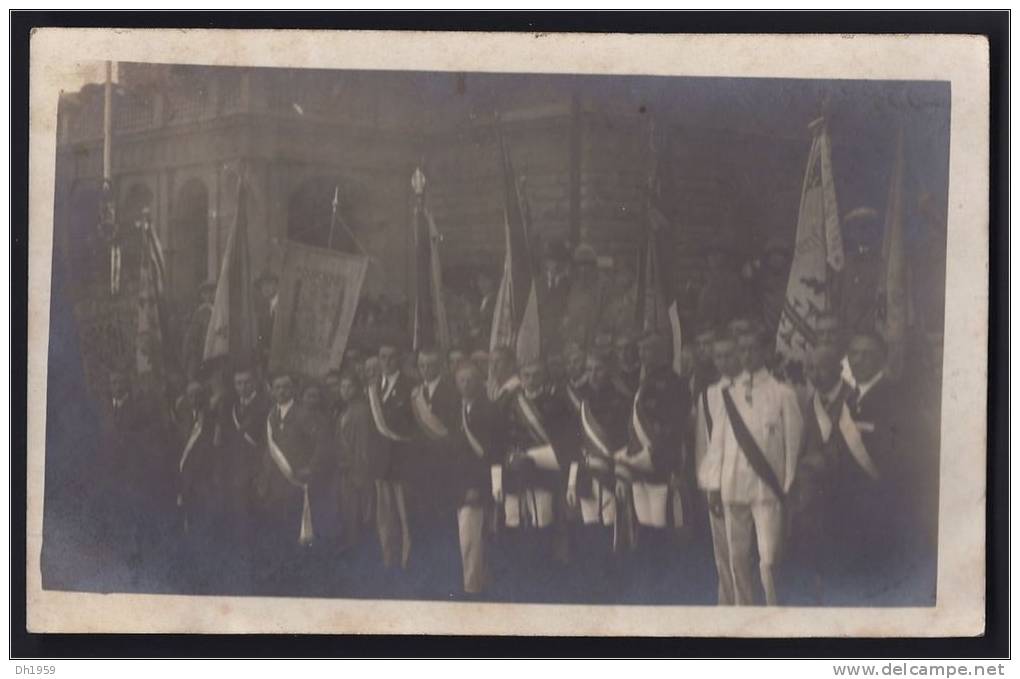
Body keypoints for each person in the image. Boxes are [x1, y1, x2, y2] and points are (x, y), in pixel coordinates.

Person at [701, 324, 803, 606]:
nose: (746, 355)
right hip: (732, 488)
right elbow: (717, 443)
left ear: (765, 351)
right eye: (741, 349)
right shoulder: (727, 394)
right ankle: (742, 615)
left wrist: (788, 485)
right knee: (737, 561)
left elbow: (792, 448)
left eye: (751, 348)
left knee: (769, 561)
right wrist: (713, 484)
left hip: (767, 490)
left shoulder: (783, 394)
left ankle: (774, 613)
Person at [495, 358, 580, 580]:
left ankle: (543, 573)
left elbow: (566, 443)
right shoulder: (508, 404)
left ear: (544, 377)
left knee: (543, 520)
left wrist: (535, 456)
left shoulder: (557, 403)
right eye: (526, 375)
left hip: (545, 471)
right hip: (514, 471)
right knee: (513, 519)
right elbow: (498, 439)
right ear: (520, 377)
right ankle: (517, 572)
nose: (531, 380)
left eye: (536, 375)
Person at [614, 332, 689, 541]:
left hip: (661, 465)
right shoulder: (643, 383)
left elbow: (675, 427)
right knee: (644, 528)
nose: (642, 354)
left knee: (661, 526)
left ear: (662, 352)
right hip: (639, 466)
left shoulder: (676, 383)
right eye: (640, 349)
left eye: (647, 349)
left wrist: (658, 457)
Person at [258, 372, 320, 590]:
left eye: (285, 387)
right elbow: (268, 450)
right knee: (276, 529)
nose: (281, 391)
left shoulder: (304, 414)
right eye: (277, 387)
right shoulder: (271, 415)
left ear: (293, 389)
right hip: (274, 484)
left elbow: (320, 445)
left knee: (295, 530)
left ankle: (296, 580)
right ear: (272, 390)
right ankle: (279, 574)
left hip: (294, 483)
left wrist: (310, 468)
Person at [695, 332, 743, 605]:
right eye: (719, 356)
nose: (725, 361)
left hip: (750, 483)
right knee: (723, 552)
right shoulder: (709, 395)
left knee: (749, 554)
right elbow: (704, 446)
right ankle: (726, 604)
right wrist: (709, 486)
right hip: (721, 483)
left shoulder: (756, 389)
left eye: (730, 354)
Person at [568, 348, 627, 565]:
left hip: (610, 475)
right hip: (585, 474)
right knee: (589, 530)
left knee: (611, 532)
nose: (593, 374)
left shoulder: (621, 402)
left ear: (608, 371)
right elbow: (574, 445)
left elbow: (624, 444)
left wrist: (621, 477)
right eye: (589, 369)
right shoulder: (582, 402)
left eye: (598, 369)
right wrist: (572, 482)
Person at [450, 360, 501, 597]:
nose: (466, 384)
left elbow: (489, 454)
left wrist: (476, 487)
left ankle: (472, 590)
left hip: (477, 484)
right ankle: (478, 583)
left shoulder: (489, 410)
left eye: (471, 379)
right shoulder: (455, 410)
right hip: (457, 482)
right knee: (469, 539)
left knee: (472, 540)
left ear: (480, 382)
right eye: (462, 379)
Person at [218, 363, 270, 589]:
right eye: (238, 383)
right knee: (239, 520)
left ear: (256, 382)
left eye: (247, 382)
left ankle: (260, 573)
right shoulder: (231, 406)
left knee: (257, 522)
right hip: (236, 471)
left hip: (258, 471)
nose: (242, 387)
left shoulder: (266, 405)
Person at [367, 342, 417, 569]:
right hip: (381, 463)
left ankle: (408, 563)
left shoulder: (411, 386)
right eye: (383, 357)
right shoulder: (373, 387)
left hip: (403, 463)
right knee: (385, 519)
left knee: (406, 517)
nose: (387, 362)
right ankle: (388, 562)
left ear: (400, 359)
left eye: (392, 357)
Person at [175, 379, 222, 592]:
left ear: (204, 397)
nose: (195, 399)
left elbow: (217, 450)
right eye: (191, 395)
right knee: (189, 526)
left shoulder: (213, 420)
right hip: (187, 482)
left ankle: (209, 574)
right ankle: (192, 573)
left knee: (207, 528)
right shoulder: (183, 420)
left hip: (207, 483)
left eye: (198, 395)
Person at [333, 372, 376, 554]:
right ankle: (351, 544)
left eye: (349, 387)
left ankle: (358, 548)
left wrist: (359, 468)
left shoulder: (361, 411)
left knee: (358, 508)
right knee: (347, 508)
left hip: (357, 467)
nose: (345, 391)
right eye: (342, 387)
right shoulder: (346, 409)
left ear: (357, 388)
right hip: (345, 466)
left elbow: (363, 444)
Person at [180, 280, 216, 380]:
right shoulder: (200, 313)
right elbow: (194, 336)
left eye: (211, 292)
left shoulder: (218, 310)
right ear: (201, 296)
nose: (209, 296)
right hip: (203, 350)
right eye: (205, 293)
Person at [560, 342, 589, 415]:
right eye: (568, 362)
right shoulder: (561, 387)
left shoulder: (592, 384)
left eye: (576, 361)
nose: (571, 366)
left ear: (584, 362)